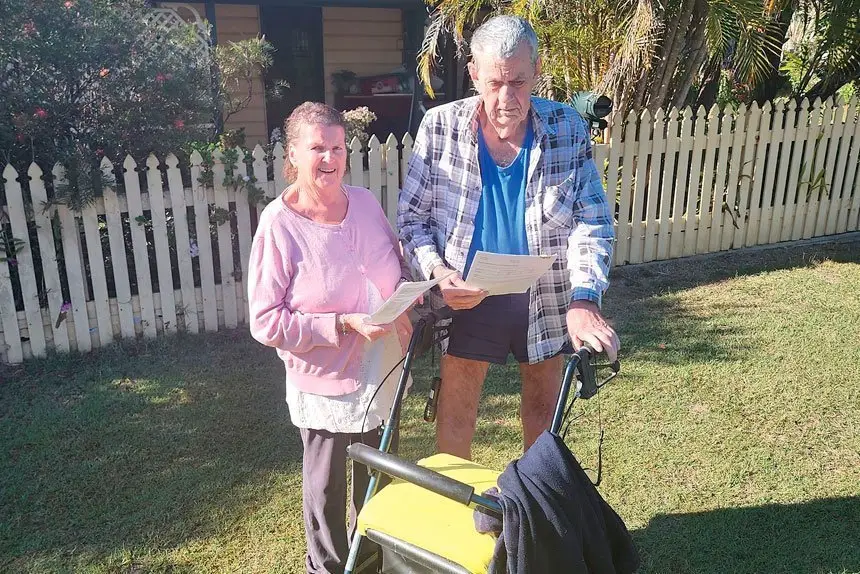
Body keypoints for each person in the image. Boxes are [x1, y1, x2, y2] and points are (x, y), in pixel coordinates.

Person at [398, 15, 620, 461]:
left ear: (536, 71)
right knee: (457, 406)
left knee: (543, 405)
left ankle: (532, 499)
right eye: (494, 82)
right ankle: (452, 494)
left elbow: (592, 220)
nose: (506, 98)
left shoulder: (566, 128)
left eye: (518, 82)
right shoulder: (439, 128)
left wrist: (584, 298)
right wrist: (439, 273)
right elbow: (411, 221)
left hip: (545, 292)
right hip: (466, 292)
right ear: (474, 74)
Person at [248, 102, 415, 574]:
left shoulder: (364, 201)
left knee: (378, 479)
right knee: (326, 490)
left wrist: (406, 298)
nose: (330, 158)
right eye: (317, 148)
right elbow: (265, 321)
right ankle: (326, 568)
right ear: (293, 154)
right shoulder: (279, 224)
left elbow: (395, 262)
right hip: (325, 382)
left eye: (338, 148)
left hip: (383, 369)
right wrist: (342, 323)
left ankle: (372, 563)